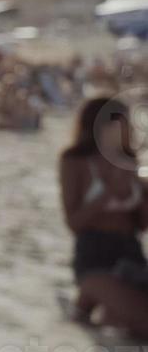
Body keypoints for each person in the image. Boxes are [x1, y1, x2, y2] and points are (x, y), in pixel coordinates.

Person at [59, 96, 148, 338]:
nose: (130, 130)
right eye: (123, 124)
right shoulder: (74, 161)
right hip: (94, 255)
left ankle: (93, 304)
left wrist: (142, 195)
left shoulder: (130, 162)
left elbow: (142, 225)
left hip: (131, 255)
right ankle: (92, 297)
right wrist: (109, 189)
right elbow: (74, 223)